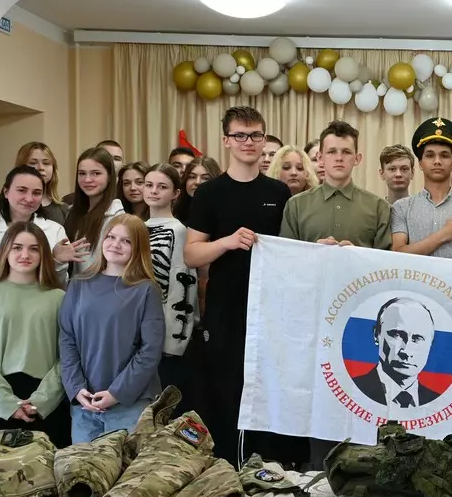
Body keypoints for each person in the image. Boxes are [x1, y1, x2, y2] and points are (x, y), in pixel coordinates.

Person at [185, 106, 293, 462]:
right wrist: (226, 242)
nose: (249, 142)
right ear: (226, 140)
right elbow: (192, 254)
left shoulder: (279, 192)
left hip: (271, 311)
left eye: (256, 135)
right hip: (225, 309)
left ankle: (267, 466)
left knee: (267, 390)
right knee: (226, 391)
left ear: (264, 139)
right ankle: (225, 467)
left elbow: (292, 249)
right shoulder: (209, 193)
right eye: (241, 135)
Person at [59, 214, 164, 444]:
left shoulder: (146, 290)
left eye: (126, 241)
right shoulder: (78, 284)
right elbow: (67, 339)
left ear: (139, 248)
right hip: (85, 403)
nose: (116, 244)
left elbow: (150, 350)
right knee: (82, 466)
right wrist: (75, 387)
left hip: (130, 403)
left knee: (126, 466)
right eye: (111, 237)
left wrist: (117, 393)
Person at [0, 222, 71, 447]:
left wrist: (42, 401)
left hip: (48, 401)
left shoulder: (59, 299)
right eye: (17, 247)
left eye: (34, 249)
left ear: (43, 254)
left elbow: (68, 356)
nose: (25, 255)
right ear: (5, 250)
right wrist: (5, 403)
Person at [0, 165, 78, 292]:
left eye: (37, 193)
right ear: (6, 192)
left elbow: (61, 289)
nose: (29, 199)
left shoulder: (56, 230)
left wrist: (58, 263)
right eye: (22, 190)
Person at [281, 121, 391, 248]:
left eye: (346, 152)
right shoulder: (296, 205)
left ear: (357, 159)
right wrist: (313, 251)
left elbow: (385, 258)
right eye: (332, 151)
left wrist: (357, 255)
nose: (339, 158)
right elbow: (285, 253)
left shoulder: (379, 208)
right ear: (320, 158)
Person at [390, 118, 452, 259]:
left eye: (444, 155)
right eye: (430, 155)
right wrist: (444, 234)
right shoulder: (402, 207)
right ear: (420, 163)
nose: (437, 161)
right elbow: (397, 255)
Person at [143, 164, 196, 409]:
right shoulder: (138, 227)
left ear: (175, 193)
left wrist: (174, 343)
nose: (154, 191)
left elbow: (182, 286)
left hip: (163, 333)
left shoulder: (179, 231)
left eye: (162, 186)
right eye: (149, 185)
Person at [352, 297, 442, 408]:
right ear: (376, 335)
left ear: (430, 343)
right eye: (397, 335)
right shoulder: (352, 390)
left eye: (417, 338)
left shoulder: (438, 402)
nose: (406, 351)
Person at [64, 147, 125, 259]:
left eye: (96, 173)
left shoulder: (117, 218)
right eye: (82, 173)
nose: (87, 180)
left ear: (110, 176)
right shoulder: (71, 212)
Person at [14, 141, 68, 226]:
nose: (41, 167)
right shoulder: (6, 208)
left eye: (46, 163)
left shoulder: (64, 210)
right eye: (33, 163)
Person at [174, 155, 221, 224]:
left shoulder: (223, 212)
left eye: (205, 178)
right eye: (192, 177)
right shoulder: (175, 210)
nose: (197, 182)